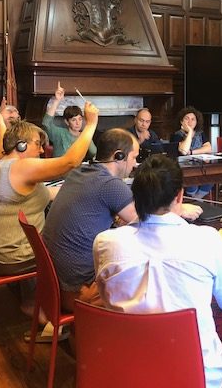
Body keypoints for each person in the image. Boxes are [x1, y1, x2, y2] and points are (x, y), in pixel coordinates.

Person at [94, 155, 222, 388]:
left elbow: (106, 299)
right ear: (179, 196)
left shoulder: (105, 242)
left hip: (127, 371)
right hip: (197, 374)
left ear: (135, 196)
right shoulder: (206, 239)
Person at [43, 128, 202, 312]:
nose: (135, 164)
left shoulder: (79, 172)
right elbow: (148, 221)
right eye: (134, 157)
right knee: (155, 276)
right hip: (79, 292)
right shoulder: (110, 185)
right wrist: (179, 209)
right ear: (118, 156)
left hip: (53, 285)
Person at [0, 101, 98, 274]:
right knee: (81, 245)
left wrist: (81, 188)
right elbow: (70, 162)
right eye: (38, 144)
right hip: (19, 256)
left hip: (3, 251)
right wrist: (90, 124)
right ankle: (71, 288)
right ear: (21, 145)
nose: (41, 151)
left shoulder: (2, 163)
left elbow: (48, 193)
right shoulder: (21, 167)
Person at [42, 81, 97, 159]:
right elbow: (46, 123)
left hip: (78, 166)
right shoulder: (60, 134)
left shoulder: (84, 135)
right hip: (60, 166)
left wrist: (87, 134)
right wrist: (57, 100)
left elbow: (93, 152)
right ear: (67, 122)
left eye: (80, 119)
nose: (78, 123)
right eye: (74, 120)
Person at [171, 106, 212, 199]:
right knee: (192, 180)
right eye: (187, 119)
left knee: (212, 177)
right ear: (181, 121)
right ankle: (196, 199)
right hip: (184, 168)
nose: (190, 121)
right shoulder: (177, 135)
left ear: (196, 122)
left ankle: (196, 199)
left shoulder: (200, 133)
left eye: (193, 119)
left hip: (200, 165)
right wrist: (189, 132)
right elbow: (184, 151)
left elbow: (208, 148)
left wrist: (192, 152)